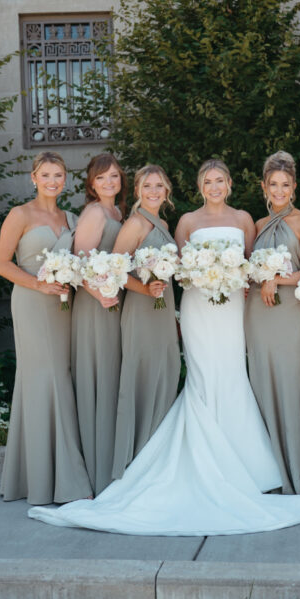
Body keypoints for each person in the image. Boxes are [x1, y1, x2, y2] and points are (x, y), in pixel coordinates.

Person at [27, 158, 300, 534]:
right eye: (207, 181)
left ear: (230, 184)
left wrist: (240, 277)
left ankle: (242, 466)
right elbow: (177, 270)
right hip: (197, 305)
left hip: (231, 307)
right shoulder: (185, 222)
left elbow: (251, 265)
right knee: (200, 376)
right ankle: (199, 462)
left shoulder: (246, 219)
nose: (214, 186)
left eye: (220, 180)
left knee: (231, 372)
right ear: (199, 186)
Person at [0, 151, 91, 505]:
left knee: (60, 376)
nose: (53, 181)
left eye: (59, 175)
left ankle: (44, 474)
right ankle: (50, 479)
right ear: (33, 178)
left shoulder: (73, 218)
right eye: (46, 175)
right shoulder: (20, 215)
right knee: (42, 378)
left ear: (66, 179)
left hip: (65, 306)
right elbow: (1, 264)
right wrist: (40, 285)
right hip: (33, 303)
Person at [244, 151, 300, 494]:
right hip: (258, 315)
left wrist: (279, 279)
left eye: (285, 185)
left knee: (292, 389)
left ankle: (298, 476)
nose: (279, 190)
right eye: (273, 184)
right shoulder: (258, 226)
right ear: (264, 186)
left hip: (290, 314)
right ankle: (269, 474)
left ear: (294, 188)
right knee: (262, 386)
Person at [110, 164, 181, 479]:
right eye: (147, 186)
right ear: (138, 191)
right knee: (143, 376)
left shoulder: (164, 223)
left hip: (163, 308)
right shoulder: (135, 225)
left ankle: (158, 456)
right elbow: (115, 270)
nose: (154, 191)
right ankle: (135, 462)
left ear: (166, 190)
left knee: (165, 372)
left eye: (159, 186)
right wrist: (145, 287)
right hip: (141, 308)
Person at [71, 154, 127, 496]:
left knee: (111, 377)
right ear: (91, 183)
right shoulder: (93, 213)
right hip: (96, 306)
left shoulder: (117, 213)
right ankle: (95, 472)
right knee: (99, 377)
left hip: (113, 304)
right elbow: (79, 262)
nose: (109, 182)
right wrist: (99, 295)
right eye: (102, 178)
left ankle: (110, 464)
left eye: (115, 176)